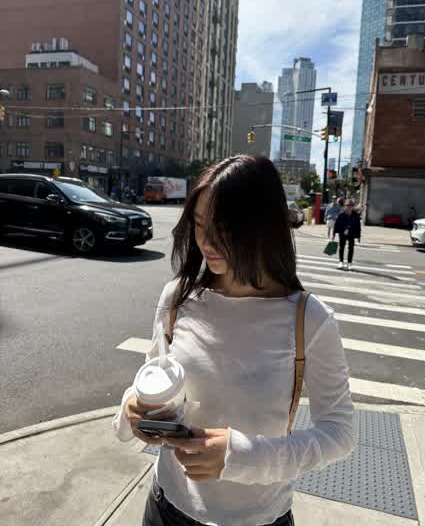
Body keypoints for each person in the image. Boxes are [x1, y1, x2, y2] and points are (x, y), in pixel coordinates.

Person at [113, 155, 354, 526]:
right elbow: (153, 375)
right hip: (166, 506)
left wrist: (240, 455)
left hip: (258, 518)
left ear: (264, 227)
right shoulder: (178, 297)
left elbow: (339, 434)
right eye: (199, 225)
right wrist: (133, 406)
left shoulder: (310, 319)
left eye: (224, 228)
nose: (207, 242)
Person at [333, 199, 361, 270]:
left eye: (350, 205)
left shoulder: (356, 215)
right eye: (347, 205)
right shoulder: (341, 214)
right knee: (341, 247)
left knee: (351, 248)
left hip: (352, 233)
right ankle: (341, 262)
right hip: (342, 233)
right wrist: (334, 234)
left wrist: (358, 237)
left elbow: (358, 226)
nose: (349, 207)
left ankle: (349, 263)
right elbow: (336, 225)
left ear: (352, 206)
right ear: (344, 206)